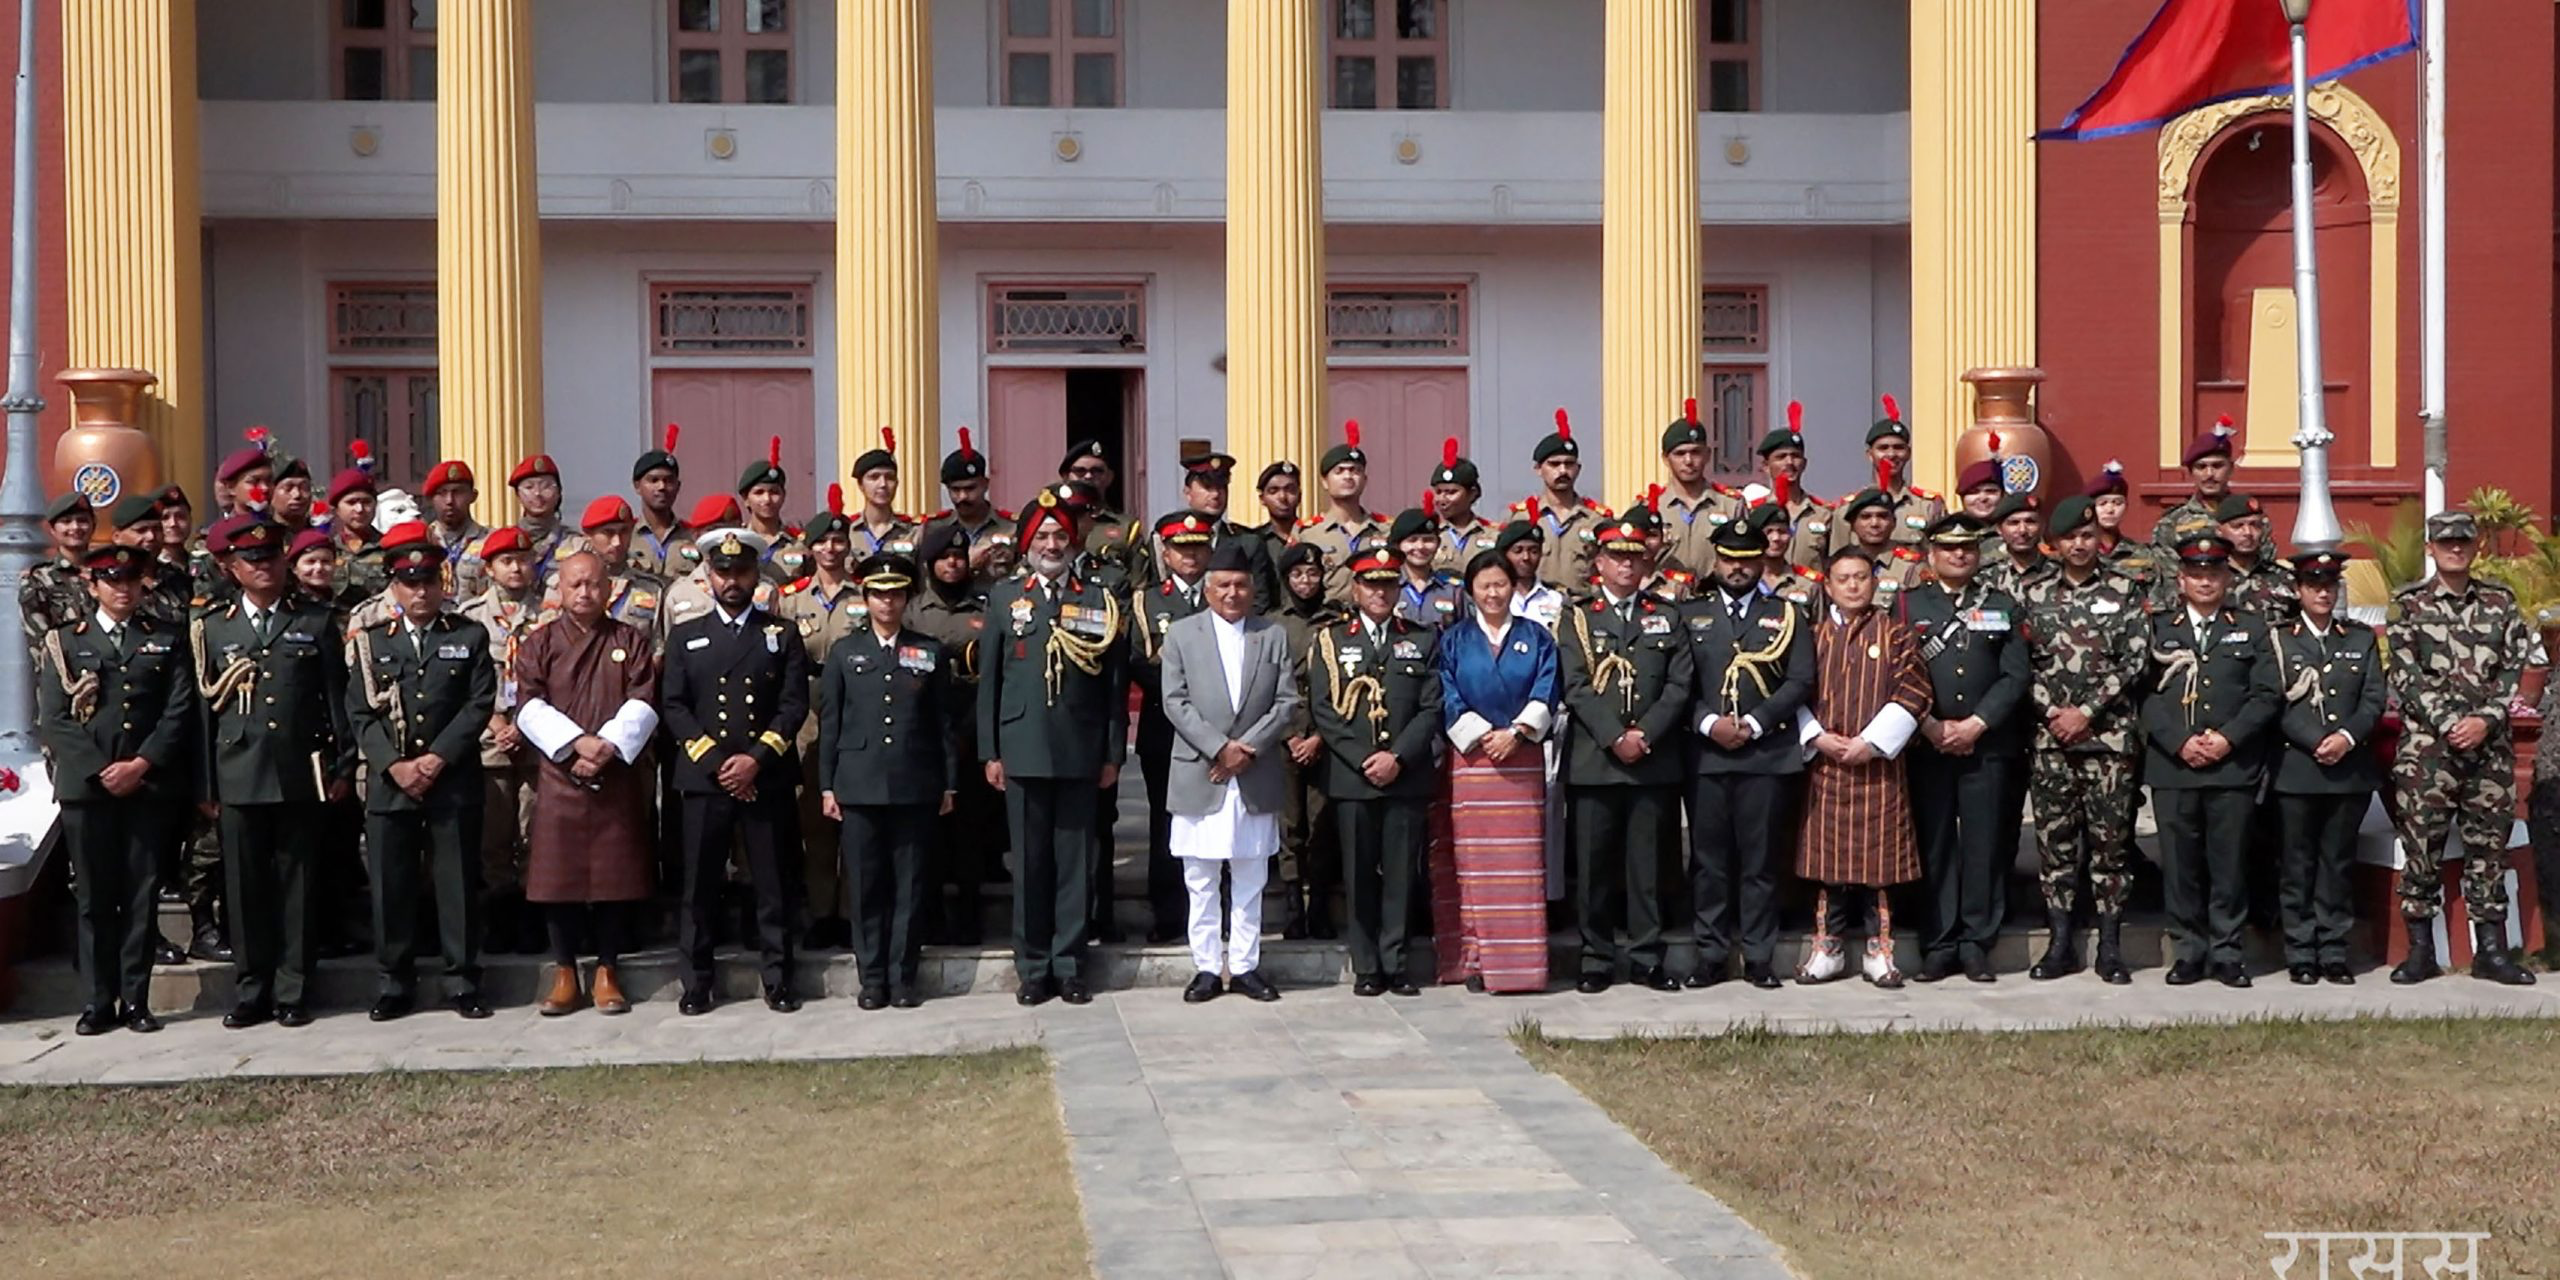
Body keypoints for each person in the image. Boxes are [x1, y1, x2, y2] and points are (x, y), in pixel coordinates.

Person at [193, 518, 354, 1028]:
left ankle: (292, 988)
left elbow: (337, 701)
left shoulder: (314, 622)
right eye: (252, 561)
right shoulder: (212, 627)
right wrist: (206, 785)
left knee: (297, 884)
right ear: (233, 568)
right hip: (237, 772)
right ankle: (252, 988)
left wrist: (343, 766)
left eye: (271, 558)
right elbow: (202, 715)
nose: (264, 567)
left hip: (299, 771)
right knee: (243, 890)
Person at [39, 545, 196, 1035]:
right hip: (88, 790)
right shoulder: (64, 642)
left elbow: (179, 711)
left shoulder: (166, 640)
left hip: (147, 787)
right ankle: (96, 1002)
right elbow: (56, 719)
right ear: (92, 586)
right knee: (93, 897)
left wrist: (141, 764)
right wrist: (102, 770)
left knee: (140, 896)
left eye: (131, 579)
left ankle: (136, 1000)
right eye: (111, 579)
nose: (122, 588)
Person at [980, 489, 1128, 1006]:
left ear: (1074, 541)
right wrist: (990, 752)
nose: (1051, 544)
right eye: (1041, 536)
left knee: (1075, 863)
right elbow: (991, 682)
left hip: (1080, 748)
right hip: (1021, 746)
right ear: (1026, 543)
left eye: (1059, 536)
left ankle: (1069, 964)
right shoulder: (1004, 598)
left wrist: (1113, 752)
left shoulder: (1097, 598)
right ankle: (1033, 966)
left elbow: (1112, 684)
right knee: (1031, 862)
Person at [347, 524, 498, 1021]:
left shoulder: (469, 636)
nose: (420, 591)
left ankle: (463, 979)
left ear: (443, 582)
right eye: (410, 582)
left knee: (456, 883)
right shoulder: (371, 641)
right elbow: (360, 712)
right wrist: (394, 765)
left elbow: (478, 704)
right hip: (393, 783)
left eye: (429, 581)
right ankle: (394, 981)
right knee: (392, 886)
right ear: (394, 585)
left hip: (450, 778)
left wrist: (437, 759)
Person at [662, 529, 814, 1014]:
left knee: (772, 883)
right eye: (723, 571)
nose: (732, 580)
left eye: (742, 571)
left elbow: (793, 706)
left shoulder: (780, 634)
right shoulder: (686, 636)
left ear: (756, 576)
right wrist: (714, 761)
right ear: (708, 576)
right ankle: (697, 981)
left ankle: (778, 978)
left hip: (763, 775)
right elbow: (674, 705)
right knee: (699, 887)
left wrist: (755, 760)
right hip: (705, 779)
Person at [2384, 509, 2537, 985]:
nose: (2455, 548)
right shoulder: (2407, 605)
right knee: (2422, 849)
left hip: (2487, 749)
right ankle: (2420, 952)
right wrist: (2452, 722)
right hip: (2429, 751)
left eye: (2463, 542)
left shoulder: (2500, 602)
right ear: (2430, 547)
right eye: (2446, 541)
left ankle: (2490, 952)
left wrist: (2484, 720)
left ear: (2475, 548)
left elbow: (2515, 669)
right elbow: (2405, 675)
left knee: (2488, 848)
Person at [508, 551, 661, 1015]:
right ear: (559, 589)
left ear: (609, 589)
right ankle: (564, 971)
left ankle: (607, 969)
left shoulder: (629, 640)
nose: (584, 593)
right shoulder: (539, 642)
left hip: (613, 772)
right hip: (559, 774)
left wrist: (607, 746)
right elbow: (528, 705)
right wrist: (575, 744)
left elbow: (644, 699)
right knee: (559, 878)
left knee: (614, 876)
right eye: (574, 584)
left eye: (593, 584)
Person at [814, 553, 959, 1008]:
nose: (887, 602)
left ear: (906, 597)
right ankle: (871, 977)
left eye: (896, 593)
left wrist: (950, 783)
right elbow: (831, 725)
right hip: (858, 784)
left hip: (915, 781)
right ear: (866, 598)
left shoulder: (929, 650)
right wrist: (827, 785)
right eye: (879, 594)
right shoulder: (845, 651)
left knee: (910, 885)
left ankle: (903, 977)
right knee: (865, 886)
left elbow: (943, 725)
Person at [1557, 517, 1696, 993]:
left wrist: (1646, 734)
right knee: (1593, 869)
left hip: (1652, 761)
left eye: (1635, 556)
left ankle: (1645, 958)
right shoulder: (1577, 617)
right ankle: (1595, 959)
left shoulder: (1668, 613)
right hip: (1597, 761)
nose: (1626, 564)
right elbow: (1574, 685)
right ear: (1599, 563)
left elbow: (1680, 685)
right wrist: (1616, 736)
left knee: (1648, 868)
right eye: (1617, 556)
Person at [1160, 543, 1302, 1003]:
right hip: (1201, 771)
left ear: (1253, 588)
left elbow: (1286, 702)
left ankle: (1244, 965)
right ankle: (1205, 966)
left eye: (1241, 584)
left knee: (1251, 874)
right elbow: (1174, 701)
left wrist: (1248, 749)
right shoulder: (1182, 634)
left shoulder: (1271, 634)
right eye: (1223, 584)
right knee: (1200, 878)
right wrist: (1220, 748)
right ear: (1207, 588)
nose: (1233, 593)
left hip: (1254, 773)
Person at [2016, 497, 2147, 984]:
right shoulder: (2033, 591)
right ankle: (2060, 943)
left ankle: (2110, 946)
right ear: (2055, 542)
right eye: (2070, 537)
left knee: (2111, 845)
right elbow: (2018, 663)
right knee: (2056, 845)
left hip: (2109, 740)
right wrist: (2054, 712)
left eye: (2087, 536)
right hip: (2051, 740)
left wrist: (2088, 712)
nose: (2079, 544)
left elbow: (2135, 657)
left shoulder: (2125, 588)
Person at [2141, 533, 2278, 989]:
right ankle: (2188, 951)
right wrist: (2180, 742)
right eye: (2196, 574)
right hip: (2174, 766)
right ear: (2180, 580)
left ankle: (2227, 953)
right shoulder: (2158, 628)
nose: (2205, 581)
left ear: (2226, 578)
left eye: (2214, 573)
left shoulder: (2252, 627)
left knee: (2229, 862)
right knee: (2180, 865)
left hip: (2230, 765)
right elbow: (2143, 694)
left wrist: (2226, 739)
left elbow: (2265, 694)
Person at [1901, 514, 2032, 983]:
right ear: (1930, 556)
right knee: (1934, 844)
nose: (1960, 555)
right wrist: (1931, 725)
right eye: (1949, 548)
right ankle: (1938, 942)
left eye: (1968, 549)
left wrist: (1977, 724)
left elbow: (2015, 674)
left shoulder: (2002, 605)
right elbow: (1896, 673)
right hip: (1927, 743)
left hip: (1986, 743)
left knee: (1984, 844)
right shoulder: (1906, 604)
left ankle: (1977, 942)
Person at [1794, 548, 1933, 987]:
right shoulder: (1811, 636)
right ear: (1828, 586)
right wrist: (1816, 736)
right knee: (1828, 863)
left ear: (1875, 581)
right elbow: (1792, 691)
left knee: (1880, 866)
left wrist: (1870, 744)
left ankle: (1879, 950)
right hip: (1826, 766)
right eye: (1843, 579)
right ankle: (1828, 947)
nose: (1853, 585)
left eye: (1861, 577)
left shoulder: (1896, 635)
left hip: (1878, 770)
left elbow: (1914, 692)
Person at [1309, 550, 1439, 995]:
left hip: (1406, 775)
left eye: (1388, 584)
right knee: (1359, 874)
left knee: (1402, 873)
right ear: (1355, 589)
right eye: (1370, 584)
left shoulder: (1422, 639)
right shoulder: (1330, 641)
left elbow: (1430, 707)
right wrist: (1365, 758)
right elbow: (1324, 710)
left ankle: (1397, 962)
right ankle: (1366, 965)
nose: (1379, 592)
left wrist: (1397, 757)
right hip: (1353, 777)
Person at [1435, 550, 1558, 993]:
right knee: (1473, 865)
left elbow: (1547, 687)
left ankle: (1522, 965)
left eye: (1500, 584)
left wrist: (1519, 732)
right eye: (1484, 585)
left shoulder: (1537, 636)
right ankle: (1475, 960)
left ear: (1513, 587)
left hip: (1521, 759)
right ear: (1470, 591)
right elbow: (1446, 692)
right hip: (1473, 760)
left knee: (1519, 866)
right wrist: (1485, 734)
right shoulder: (1453, 639)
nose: (1493, 593)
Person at [2266, 549, 2383, 986]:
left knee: (2336, 863)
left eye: (2330, 585)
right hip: (2297, 768)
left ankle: (2333, 951)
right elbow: (2274, 699)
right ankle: (2300, 952)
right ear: (2298, 591)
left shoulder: (2359, 638)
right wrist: (2316, 739)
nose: (2323, 592)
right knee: (2297, 865)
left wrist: (2346, 737)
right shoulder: (2280, 638)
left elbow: (2373, 697)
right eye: (2314, 585)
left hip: (2347, 769)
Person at [779, 486, 865, 951]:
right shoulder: (791, 600)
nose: (831, 549)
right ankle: (819, 911)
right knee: (813, 822)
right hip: (808, 719)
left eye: (838, 541)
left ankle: (852, 913)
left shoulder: (864, 595)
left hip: (855, 715)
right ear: (809, 548)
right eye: (822, 542)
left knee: (853, 817)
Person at [906, 521, 997, 944]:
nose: (953, 564)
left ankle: (970, 913)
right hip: (926, 726)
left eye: (959, 557)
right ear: (929, 562)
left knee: (971, 829)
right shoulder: (913, 609)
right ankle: (930, 915)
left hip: (974, 723)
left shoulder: (986, 602)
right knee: (928, 829)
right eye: (944, 557)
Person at [457, 527, 545, 954]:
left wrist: (528, 725)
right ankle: (497, 917)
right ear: (489, 568)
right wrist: (495, 722)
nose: (516, 567)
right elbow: (464, 683)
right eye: (506, 561)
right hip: (490, 743)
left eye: (523, 559)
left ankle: (531, 919)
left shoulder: (549, 614)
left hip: (535, 742)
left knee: (534, 832)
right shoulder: (471, 617)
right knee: (493, 838)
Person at [1131, 512, 1217, 942]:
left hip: (1219, 732)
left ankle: (1214, 913)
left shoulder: (1225, 597)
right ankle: (1167, 914)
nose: (1190, 556)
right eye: (1181, 548)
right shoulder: (1147, 601)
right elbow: (1140, 663)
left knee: (1216, 823)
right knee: (1166, 824)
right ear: (1165, 553)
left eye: (1198, 547)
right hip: (1165, 731)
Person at [1268, 543, 1339, 939]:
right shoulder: (1272, 624)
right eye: (1298, 575)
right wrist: (1291, 735)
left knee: (1322, 823)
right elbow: (1265, 686)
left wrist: (1319, 737)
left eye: (1313, 574)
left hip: (1325, 736)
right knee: (1290, 824)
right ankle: (1294, 907)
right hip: (1285, 737)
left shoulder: (1338, 621)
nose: (1306, 582)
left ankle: (1321, 907)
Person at [1152, 453, 1278, 612]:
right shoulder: (1164, 538)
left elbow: (1260, 601)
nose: (1216, 495)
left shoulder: (1248, 543)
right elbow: (1156, 594)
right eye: (1207, 487)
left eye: (1221, 487)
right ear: (1187, 492)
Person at [1824, 396, 1943, 558]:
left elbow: (1939, 557)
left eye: (1898, 448)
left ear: (1908, 453)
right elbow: (1837, 560)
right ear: (1870, 454)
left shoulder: (1928, 506)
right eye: (1883, 448)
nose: (1891, 454)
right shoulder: (1846, 509)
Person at [1512, 410, 1612, 593]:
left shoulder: (1596, 519)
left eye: (1569, 464)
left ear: (1578, 468)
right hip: (1536, 607)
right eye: (1554, 464)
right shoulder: (1522, 517)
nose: (1563, 471)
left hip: (1582, 607)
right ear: (1538, 469)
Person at [454, 454, 567, 601]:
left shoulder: (578, 545)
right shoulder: (492, 543)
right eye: (529, 487)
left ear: (558, 492)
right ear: (518, 495)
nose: (538, 494)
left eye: (546, 486)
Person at [1299, 422, 1389, 603]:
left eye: (1355, 471)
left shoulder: (1384, 529)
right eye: (1339, 471)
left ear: (1364, 479)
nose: (1348, 476)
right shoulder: (1308, 533)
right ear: (1325, 481)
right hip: (1326, 619)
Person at [919, 427, 1017, 586]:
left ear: (985, 485)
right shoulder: (933, 528)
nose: (962, 497)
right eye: (955, 490)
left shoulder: (1011, 528)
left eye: (970, 488)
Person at [1654, 400, 1732, 576]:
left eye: (1695, 452)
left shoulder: (1730, 505)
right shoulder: (1651, 506)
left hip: (1714, 599)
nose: (1688, 461)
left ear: (1707, 455)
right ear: (1666, 459)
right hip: (1663, 598)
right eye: (1680, 454)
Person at [1757, 403, 1834, 573]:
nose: (1789, 463)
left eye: (1795, 456)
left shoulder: (1824, 514)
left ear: (1804, 464)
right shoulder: (1753, 511)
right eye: (1781, 457)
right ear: (1765, 466)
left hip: (1809, 595)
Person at [2150, 415, 2240, 561]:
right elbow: (2168, 576)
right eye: (2201, 467)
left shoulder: (2249, 519)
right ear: (2191, 472)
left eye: (2217, 466)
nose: (2209, 474)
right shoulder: (2171, 522)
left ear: (2231, 469)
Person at [740, 436, 819, 583]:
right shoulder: (738, 540)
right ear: (746, 499)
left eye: (774, 492)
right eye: (759, 493)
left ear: (784, 496)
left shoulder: (799, 544)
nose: (767, 500)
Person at [23, 493, 97, 640]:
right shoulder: (38, 579)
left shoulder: (107, 573)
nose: (75, 527)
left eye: (82, 521)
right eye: (66, 521)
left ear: (93, 525)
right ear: (53, 530)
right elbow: (39, 639)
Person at [2216, 495, 2297, 626]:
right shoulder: (2210, 579)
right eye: (2238, 526)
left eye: (2255, 525)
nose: (2248, 532)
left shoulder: (2285, 578)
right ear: (2219, 531)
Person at [1428, 439, 1503, 576]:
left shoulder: (1493, 535)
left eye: (1451, 492)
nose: (1442, 499)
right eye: (1438, 492)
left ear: (1472, 493)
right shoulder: (1429, 534)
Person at [845, 428, 920, 562]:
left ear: (897, 483)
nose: (883, 484)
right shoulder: (846, 532)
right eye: (874, 477)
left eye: (889, 477)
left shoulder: (913, 532)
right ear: (860, 485)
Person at [628, 424, 691, 580]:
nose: (662, 487)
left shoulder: (692, 536)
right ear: (637, 486)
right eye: (653, 480)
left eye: (669, 481)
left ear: (678, 486)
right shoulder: (626, 536)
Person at [1387, 497, 1462, 628]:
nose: (1420, 547)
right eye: (1412, 540)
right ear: (1398, 545)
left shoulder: (1453, 590)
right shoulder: (1387, 586)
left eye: (1428, 540)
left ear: (1438, 543)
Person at [421, 461, 489, 569]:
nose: (450, 500)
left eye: (458, 492)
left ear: (473, 496)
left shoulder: (490, 541)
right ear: (430, 499)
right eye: (442, 493)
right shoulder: (422, 541)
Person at [1981, 491, 2045, 598]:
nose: (2022, 530)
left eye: (2030, 522)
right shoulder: (1984, 578)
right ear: (1999, 529)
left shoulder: (2061, 575)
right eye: (2014, 523)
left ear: (2042, 526)